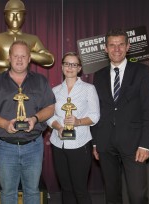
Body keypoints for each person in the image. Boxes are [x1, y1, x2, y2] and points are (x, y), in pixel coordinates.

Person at [0, 0, 54, 173]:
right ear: (4, 16)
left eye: (19, 13)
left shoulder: (32, 39)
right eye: (11, 13)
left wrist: (29, 54)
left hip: (28, 85)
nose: (14, 17)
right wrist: (5, 61)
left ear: (24, 16)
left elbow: (50, 59)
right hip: (2, 85)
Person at [0, 40, 55, 204]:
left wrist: (35, 119)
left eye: (23, 56)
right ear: (9, 58)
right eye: (16, 56)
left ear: (29, 59)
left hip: (33, 146)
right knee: (7, 193)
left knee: (32, 192)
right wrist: (5, 124)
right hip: (5, 146)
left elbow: (50, 107)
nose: (19, 60)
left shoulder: (40, 81)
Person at [92, 29, 149, 204]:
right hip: (106, 143)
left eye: (121, 44)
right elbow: (98, 110)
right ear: (105, 48)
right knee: (112, 195)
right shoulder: (99, 75)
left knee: (137, 195)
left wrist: (145, 144)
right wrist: (96, 141)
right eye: (112, 45)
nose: (117, 49)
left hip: (134, 144)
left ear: (128, 46)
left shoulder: (142, 71)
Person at [47, 52, 100, 204]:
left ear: (79, 68)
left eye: (74, 64)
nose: (70, 67)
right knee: (66, 189)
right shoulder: (55, 91)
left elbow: (95, 116)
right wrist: (58, 126)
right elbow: (49, 116)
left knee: (80, 189)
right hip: (58, 144)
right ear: (62, 66)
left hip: (80, 144)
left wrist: (78, 122)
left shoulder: (89, 89)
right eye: (67, 64)